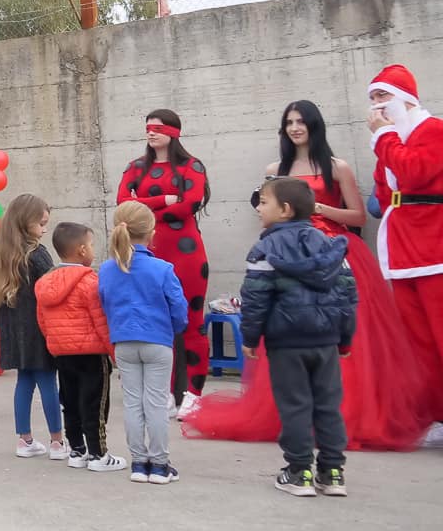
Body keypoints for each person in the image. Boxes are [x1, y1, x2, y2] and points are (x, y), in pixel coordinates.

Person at [185, 100, 429, 451]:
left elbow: (359, 217)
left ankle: (345, 416)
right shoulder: (275, 168)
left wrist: (318, 208)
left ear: (315, 125)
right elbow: (266, 210)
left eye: (302, 121)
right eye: (289, 122)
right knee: (286, 333)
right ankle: (294, 419)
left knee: (348, 341)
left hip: (333, 254)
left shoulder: (336, 167)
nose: (296, 127)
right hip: (285, 256)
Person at [238, 177, 356, 497]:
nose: (259, 208)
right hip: (327, 341)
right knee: (328, 406)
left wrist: (250, 337)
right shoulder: (331, 247)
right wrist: (345, 338)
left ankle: (299, 471)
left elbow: (255, 298)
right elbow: (347, 294)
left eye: (263, 202)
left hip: (286, 342)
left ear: (285, 210)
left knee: (295, 406)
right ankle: (332, 472)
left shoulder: (265, 248)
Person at [367, 64, 443, 446]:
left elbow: (415, 172)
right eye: (373, 98)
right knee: (419, 344)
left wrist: (383, 136)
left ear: (407, 98)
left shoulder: (433, 131)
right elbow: (384, 193)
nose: (378, 105)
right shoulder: (390, 142)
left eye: (384, 96)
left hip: (435, 245)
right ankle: (435, 414)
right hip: (400, 249)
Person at [116, 108, 211, 413]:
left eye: (158, 128)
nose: (151, 132)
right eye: (148, 128)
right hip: (148, 254)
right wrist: (163, 200)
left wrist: (142, 208)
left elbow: (190, 205)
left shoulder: (191, 166)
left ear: (173, 132)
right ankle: (167, 393)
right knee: (159, 324)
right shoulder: (136, 166)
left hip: (186, 253)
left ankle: (193, 393)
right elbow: (122, 204)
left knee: (193, 323)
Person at [98, 201, 188, 485]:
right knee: (157, 403)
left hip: (124, 341)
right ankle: (160, 464)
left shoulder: (107, 269)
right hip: (158, 340)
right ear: (151, 232)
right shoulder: (162, 268)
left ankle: (139, 462)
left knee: (133, 403)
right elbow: (178, 308)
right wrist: (173, 329)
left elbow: (104, 302)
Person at [35, 222, 125, 472]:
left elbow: (42, 320)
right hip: (91, 353)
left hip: (62, 352)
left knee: (71, 402)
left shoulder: (45, 283)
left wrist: (54, 343)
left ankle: (77, 450)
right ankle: (99, 454)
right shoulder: (89, 282)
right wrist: (113, 351)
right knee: (95, 404)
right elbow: (101, 321)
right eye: (93, 245)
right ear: (82, 250)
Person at [0, 193, 64, 461]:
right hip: (39, 329)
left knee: (24, 382)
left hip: (14, 331)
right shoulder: (37, 254)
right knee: (48, 384)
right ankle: (57, 441)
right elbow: (53, 288)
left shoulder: (1, 252)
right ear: (25, 222)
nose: (44, 230)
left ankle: (25, 439)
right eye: (41, 224)